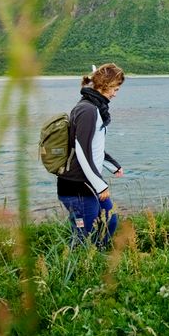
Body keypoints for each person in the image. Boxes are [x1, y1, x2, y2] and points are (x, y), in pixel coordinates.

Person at [58, 63, 126, 248]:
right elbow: (82, 151)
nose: (115, 93)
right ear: (104, 85)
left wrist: (113, 166)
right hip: (78, 186)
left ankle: (98, 258)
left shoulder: (94, 108)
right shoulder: (88, 110)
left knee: (109, 220)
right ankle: (79, 271)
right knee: (82, 237)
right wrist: (100, 185)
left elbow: (93, 147)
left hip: (88, 183)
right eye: (115, 88)